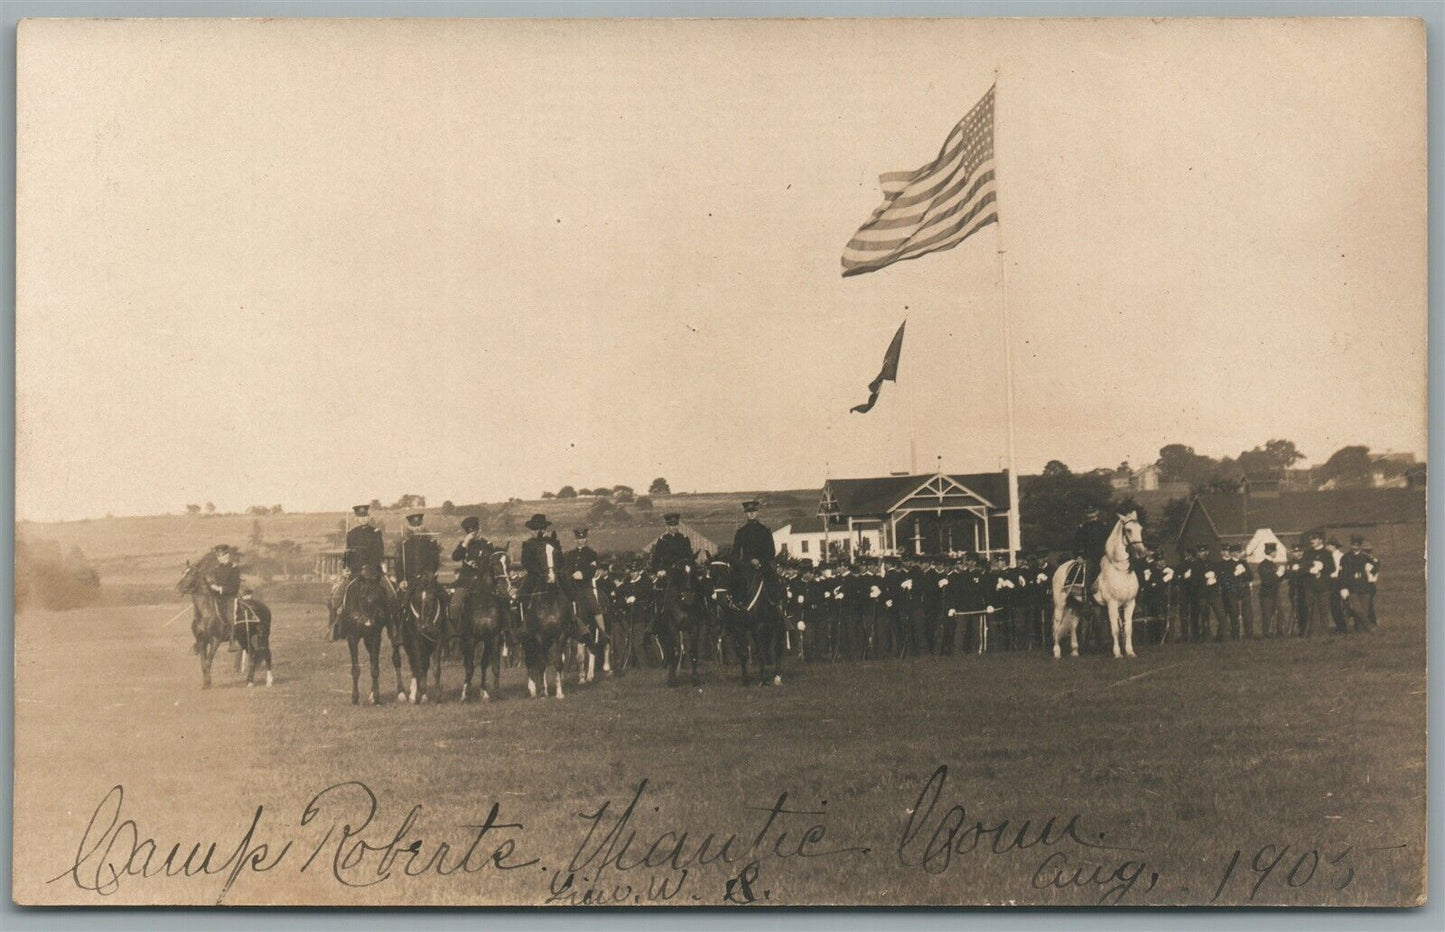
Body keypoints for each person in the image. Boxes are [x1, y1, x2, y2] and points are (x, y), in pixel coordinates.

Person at [343, 504, 396, 612]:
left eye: (365, 516)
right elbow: (348, 553)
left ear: (368, 517)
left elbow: (379, 553)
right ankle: (339, 617)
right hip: (356, 572)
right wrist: (345, 567)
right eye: (360, 517)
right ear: (356, 518)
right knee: (339, 594)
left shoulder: (375, 532)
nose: (363, 519)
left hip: (373, 572)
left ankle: (392, 618)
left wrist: (369, 568)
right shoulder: (351, 533)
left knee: (391, 592)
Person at [567, 527, 609, 648]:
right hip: (573, 588)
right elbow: (567, 569)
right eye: (579, 538)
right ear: (576, 540)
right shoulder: (570, 554)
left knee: (593, 605)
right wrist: (571, 575)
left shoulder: (591, 553)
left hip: (585, 587)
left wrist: (582, 574)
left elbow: (592, 570)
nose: (582, 540)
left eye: (583, 538)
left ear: (586, 538)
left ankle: (603, 631)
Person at [519, 513, 573, 604]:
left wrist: (554, 569)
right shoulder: (528, 544)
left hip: (554, 571)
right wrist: (540, 571)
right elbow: (525, 561)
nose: (533, 532)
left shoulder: (553, 542)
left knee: (568, 588)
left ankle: (574, 607)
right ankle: (521, 609)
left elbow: (560, 559)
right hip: (536, 574)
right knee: (523, 591)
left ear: (543, 530)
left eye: (536, 529)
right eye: (532, 529)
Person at [394, 512, 443, 602]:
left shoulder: (431, 542)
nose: (417, 528)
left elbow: (435, 562)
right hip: (410, 581)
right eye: (414, 526)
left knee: (444, 597)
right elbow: (399, 564)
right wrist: (401, 581)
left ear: (422, 525)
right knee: (399, 602)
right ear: (410, 527)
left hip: (427, 580)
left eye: (419, 525)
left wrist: (431, 575)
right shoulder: (405, 544)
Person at [1300, 530, 1335, 637]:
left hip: (1323, 586)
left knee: (1324, 609)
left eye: (1314, 538)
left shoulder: (1327, 553)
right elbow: (1303, 567)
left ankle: (1325, 632)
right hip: (1311, 586)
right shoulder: (1307, 553)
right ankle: (1313, 632)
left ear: (1320, 540)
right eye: (1311, 539)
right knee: (1311, 609)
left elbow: (1332, 568)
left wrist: (1322, 568)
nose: (1312, 541)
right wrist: (1310, 570)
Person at [1338, 535, 1375, 633]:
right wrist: (1343, 587)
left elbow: (1375, 566)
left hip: (1364, 587)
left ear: (1360, 545)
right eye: (1353, 545)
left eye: (1357, 545)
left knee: (1364, 610)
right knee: (1357, 609)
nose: (1354, 547)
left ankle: (1360, 630)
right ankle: (1370, 626)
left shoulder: (1365, 557)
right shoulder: (1345, 557)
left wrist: (1371, 569)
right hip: (1352, 587)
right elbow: (1342, 574)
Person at [1256, 542, 1288, 638]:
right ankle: (1267, 633)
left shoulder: (1272, 564)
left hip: (1274, 592)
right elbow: (1267, 581)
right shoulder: (1263, 565)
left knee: (1278, 613)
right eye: (1275, 551)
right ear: (1270, 552)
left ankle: (1278, 632)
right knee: (1267, 614)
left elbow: (1277, 579)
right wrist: (1278, 574)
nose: (1276, 552)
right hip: (1267, 594)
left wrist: (1282, 573)